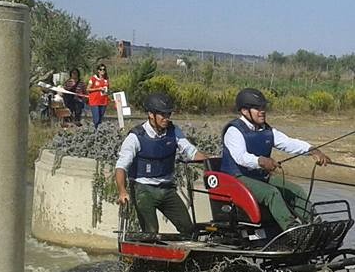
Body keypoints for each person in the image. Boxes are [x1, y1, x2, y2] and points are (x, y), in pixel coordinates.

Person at [221, 87, 330, 230]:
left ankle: (315, 224)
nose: (262, 111)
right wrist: (261, 161)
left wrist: (312, 150)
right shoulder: (234, 131)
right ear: (244, 111)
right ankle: (291, 229)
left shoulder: (267, 130)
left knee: (296, 190)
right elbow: (241, 157)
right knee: (271, 193)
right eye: (257, 108)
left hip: (259, 176)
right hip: (237, 178)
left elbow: (288, 143)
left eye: (263, 107)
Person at [114, 92, 210, 235]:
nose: (166, 118)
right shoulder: (135, 137)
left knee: (188, 228)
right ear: (151, 114)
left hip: (166, 189)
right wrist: (122, 191)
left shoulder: (174, 131)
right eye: (162, 115)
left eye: (168, 114)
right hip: (143, 190)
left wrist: (214, 161)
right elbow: (121, 167)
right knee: (151, 232)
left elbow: (192, 153)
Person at [87, 64, 110, 128]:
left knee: (100, 119)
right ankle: (95, 130)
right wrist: (98, 89)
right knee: (96, 119)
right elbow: (88, 89)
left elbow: (108, 89)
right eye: (101, 69)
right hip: (94, 101)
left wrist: (107, 92)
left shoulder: (106, 79)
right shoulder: (93, 78)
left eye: (104, 69)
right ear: (98, 71)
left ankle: (98, 131)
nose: (102, 71)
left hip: (103, 101)